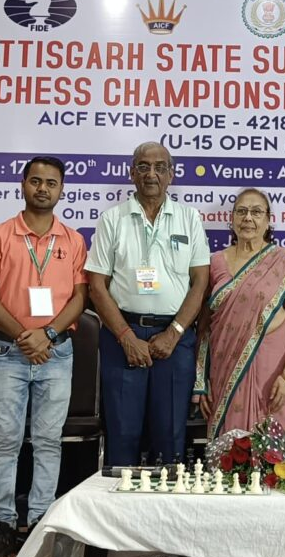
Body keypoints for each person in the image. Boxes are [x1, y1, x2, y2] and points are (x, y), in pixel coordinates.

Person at [0, 156, 88, 557]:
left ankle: (41, 522)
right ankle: (2, 522)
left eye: (51, 183)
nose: (42, 188)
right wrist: (26, 336)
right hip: (9, 351)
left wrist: (47, 334)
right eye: (35, 181)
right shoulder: (0, 235)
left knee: (48, 442)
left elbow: (80, 298)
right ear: (22, 185)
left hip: (57, 352)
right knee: (5, 441)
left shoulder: (73, 240)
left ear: (61, 190)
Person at [86, 142, 210, 466]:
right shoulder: (112, 219)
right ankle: (118, 499)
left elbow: (200, 282)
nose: (151, 174)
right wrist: (126, 337)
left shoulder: (189, 218)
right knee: (122, 434)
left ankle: (167, 498)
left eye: (159, 167)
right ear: (132, 173)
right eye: (143, 166)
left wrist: (174, 332)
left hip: (175, 339)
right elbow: (96, 286)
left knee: (170, 435)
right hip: (122, 336)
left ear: (171, 174)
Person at [194, 188, 285, 439]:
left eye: (256, 212)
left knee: (271, 449)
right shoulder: (215, 262)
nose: (248, 218)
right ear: (232, 219)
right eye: (242, 211)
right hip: (224, 368)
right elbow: (203, 328)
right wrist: (201, 382)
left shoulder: (282, 260)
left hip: (272, 371)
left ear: (268, 221)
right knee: (229, 449)